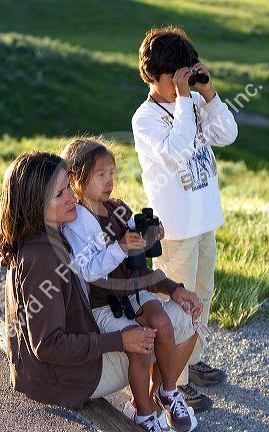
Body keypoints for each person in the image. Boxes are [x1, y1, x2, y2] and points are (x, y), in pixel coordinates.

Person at [0, 152, 160, 415]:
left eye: (69, 188)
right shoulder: (43, 258)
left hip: (44, 369)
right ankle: (146, 411)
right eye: (60, 194)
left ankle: (148, 406)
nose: (73, 198)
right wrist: (120, 340)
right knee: (157, 338)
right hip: (57, 379)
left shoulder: (49, 234)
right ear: (35, 203)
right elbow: (48, 345)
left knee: (153, 327)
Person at [61, 137, 204, 432]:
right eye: (100, 175)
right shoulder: (76, 221)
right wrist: (121, 247)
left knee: (162, 322)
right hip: (104, 301)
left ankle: (167, 392)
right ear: (76, 178)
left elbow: (136, 260)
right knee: (140, 342)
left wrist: (149, 238)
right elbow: (88, 270)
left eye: (112, 173)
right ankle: (142, 412)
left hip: (133, 290)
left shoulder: (118, 209)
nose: (109, 181)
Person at [132, 25, 238, 412]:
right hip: (176, 229)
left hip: (205, 219)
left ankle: (190, 365)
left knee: (203, 297)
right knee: (179, 308)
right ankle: (172, 383)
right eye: (174, 77)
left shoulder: (192, 102)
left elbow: (226, 134)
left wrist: (207, 94)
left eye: (186, 74)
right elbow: (176, 152)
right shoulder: (145, 118)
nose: (183, 83)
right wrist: (182, 100)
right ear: (152, 76)